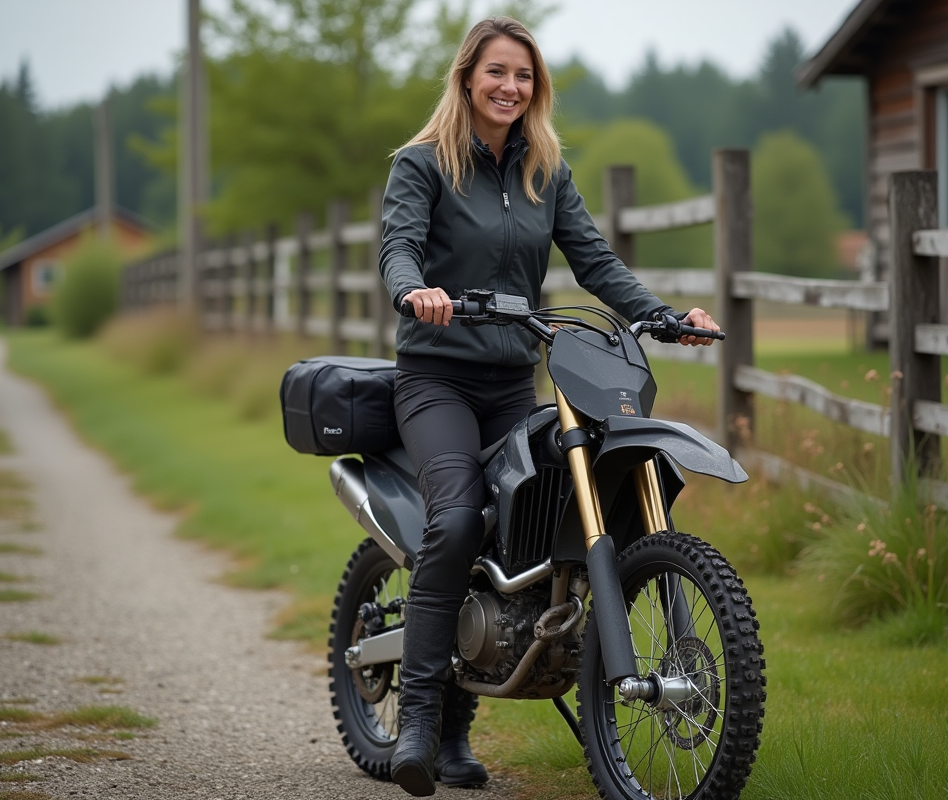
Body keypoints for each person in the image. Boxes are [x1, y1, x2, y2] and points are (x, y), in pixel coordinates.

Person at [377, 16, 720, 798]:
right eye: (497, 72)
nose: (510, 87)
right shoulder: (422, 163)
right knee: (458, 521)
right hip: (436, 379)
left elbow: (594, 260)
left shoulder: (545, 169)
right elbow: (399, 245)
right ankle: (424, 721)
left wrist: (663, 316)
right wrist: (414, 290)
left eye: (524, 76)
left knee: (527, 527)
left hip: (510, 382)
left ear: (537, 88)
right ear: (468, 77)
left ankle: (466, 720)